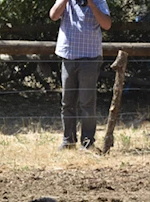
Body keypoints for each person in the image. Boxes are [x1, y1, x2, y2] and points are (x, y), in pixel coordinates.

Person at [49, 0, 111, 150]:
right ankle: (68, 140)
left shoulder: (98, 1)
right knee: (67, 102)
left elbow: (107, 24)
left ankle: (88, 142)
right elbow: (53, 15)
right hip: (68, 56)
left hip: (90, 58)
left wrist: (91, 4)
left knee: (87, 102)